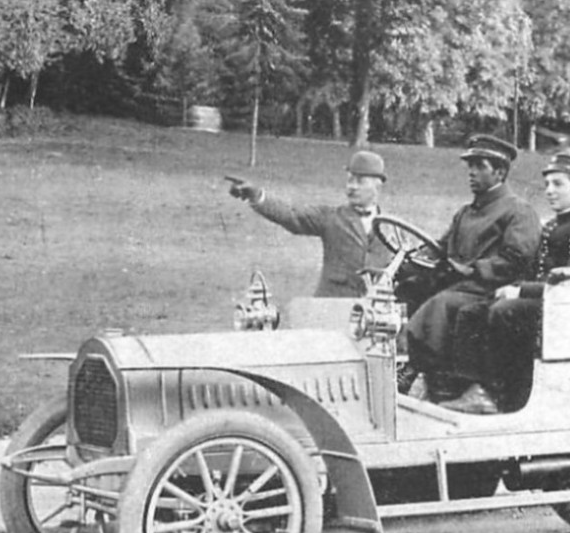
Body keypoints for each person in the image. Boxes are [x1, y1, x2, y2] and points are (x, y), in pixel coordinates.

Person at [443, 151, 570, 414]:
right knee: (471, 311)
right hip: (543, 299)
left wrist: (520, 290)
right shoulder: (551, 226)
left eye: (558, 184)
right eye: (547, 185)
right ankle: (468, 387)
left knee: (504, 312)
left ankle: (498, 393)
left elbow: (569, 284)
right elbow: (534, 269)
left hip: (563, 308)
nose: (550, 191)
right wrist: (513, 286)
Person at [401, 135, 541, 401]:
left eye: (479, 166)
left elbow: (516, 260)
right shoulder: (465, 212)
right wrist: (412, 260)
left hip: (490, 289)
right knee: (409, 287)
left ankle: (423, 374)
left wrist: (473, 270)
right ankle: (423, 372)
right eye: (470, 166)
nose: (471, 173)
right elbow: (439, 247)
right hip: (461, 285)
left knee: (441, 304)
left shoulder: (519, 211)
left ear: (499, 172)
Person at [226, 150, 395, 298]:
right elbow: (291, 215)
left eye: (360, 181)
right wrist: (257, 197)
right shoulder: (330, 218)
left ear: (377, 187)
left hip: (375, 317)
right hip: (329, 310)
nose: (351, 187)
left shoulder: (392, 229)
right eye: (350, 180)